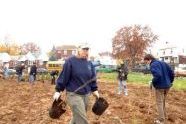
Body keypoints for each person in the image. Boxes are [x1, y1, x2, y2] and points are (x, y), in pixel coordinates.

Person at [53, 43, 99, 124]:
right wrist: (58, 90)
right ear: (78, 50)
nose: (86, 51)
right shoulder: (70, 61)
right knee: (82, 120)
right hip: (73, 94)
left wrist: (94, 89)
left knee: (77, 116)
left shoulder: (89, 63)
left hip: (86, 95)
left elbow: (92, 78)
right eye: (84, 49)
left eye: (87, 50)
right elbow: (64, 76)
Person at [144, 54, 174, 124]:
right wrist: (170, 82)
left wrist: (152, 82)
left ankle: (161, 120)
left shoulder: (153, 65)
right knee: (162, 101)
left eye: (146, 62)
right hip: (167, 86)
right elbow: (172, 73)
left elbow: (158, 75)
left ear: (149, 59)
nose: (147, 64)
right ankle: (164, 116)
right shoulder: (163, 63)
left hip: (160, 87)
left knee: (159, 103)